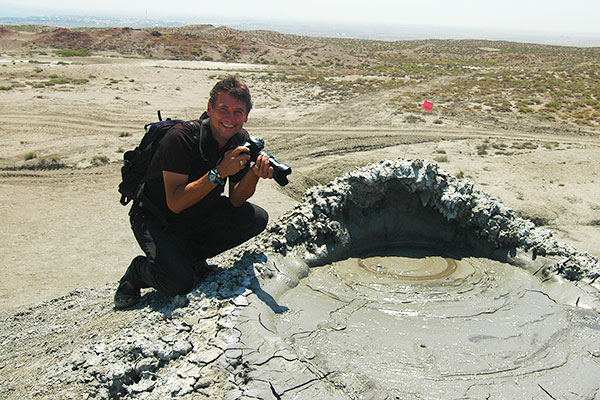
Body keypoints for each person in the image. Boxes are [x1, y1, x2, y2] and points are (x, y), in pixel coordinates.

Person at [114, 75, 273, 309]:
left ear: (246, 116)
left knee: (256, 218)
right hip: (156, 217)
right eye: (223, 109)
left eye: (238, 112)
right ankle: (138, 271)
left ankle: (191, 259)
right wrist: (218, 172)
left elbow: (237, 198)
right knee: (178, 282)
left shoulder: (240, 140)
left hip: (197, 213)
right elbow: (175, 203)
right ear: (209, 109)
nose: (230, 118)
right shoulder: (181, 138)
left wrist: (253, 174)